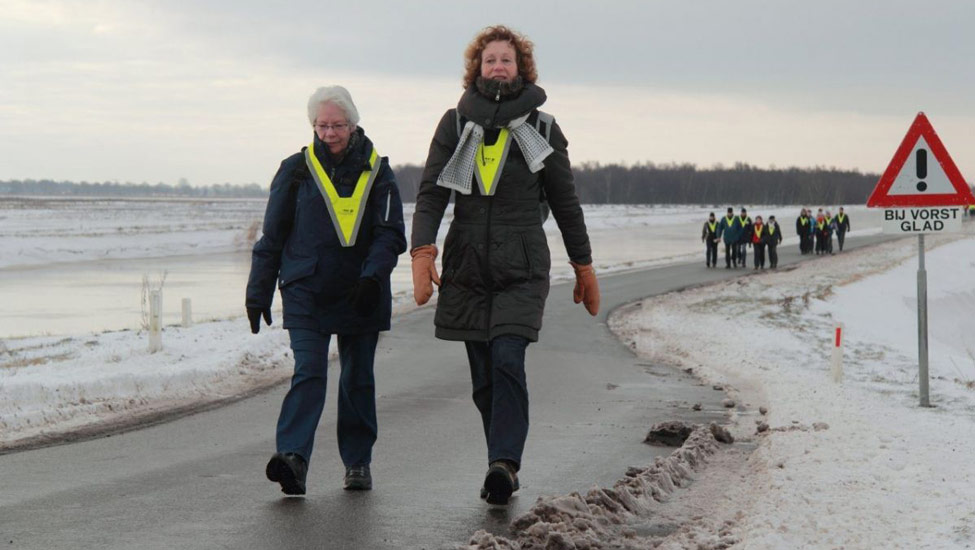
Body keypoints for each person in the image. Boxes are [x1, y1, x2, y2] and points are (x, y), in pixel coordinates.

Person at [410, 25, 599, 506]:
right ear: (477, 68)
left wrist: (584, 264)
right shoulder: (455, 125)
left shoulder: (543, 129)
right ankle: (500, 456)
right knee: (483, 376)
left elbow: (565, 201)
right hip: (467, 266)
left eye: (506, 60)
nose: (498, 67)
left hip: (522, 266)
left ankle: (504, 465)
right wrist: (423, 249)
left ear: (522, 70)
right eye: (490, 59)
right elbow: (432, 191)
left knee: (508, 359)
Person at [246, 86, 407, 495]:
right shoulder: (294, 170)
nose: (329, 134)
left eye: (337, 125)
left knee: (357, 378)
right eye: (322, 126)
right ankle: (293, 459)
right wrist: (258, 291)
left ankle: (357, 462)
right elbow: (272, 236)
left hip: (361, 292)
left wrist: (373, 278)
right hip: (306, 290)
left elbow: (390, 235)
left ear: (352, 125)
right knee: (310, 371)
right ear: (312, 126)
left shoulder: (379, 172)